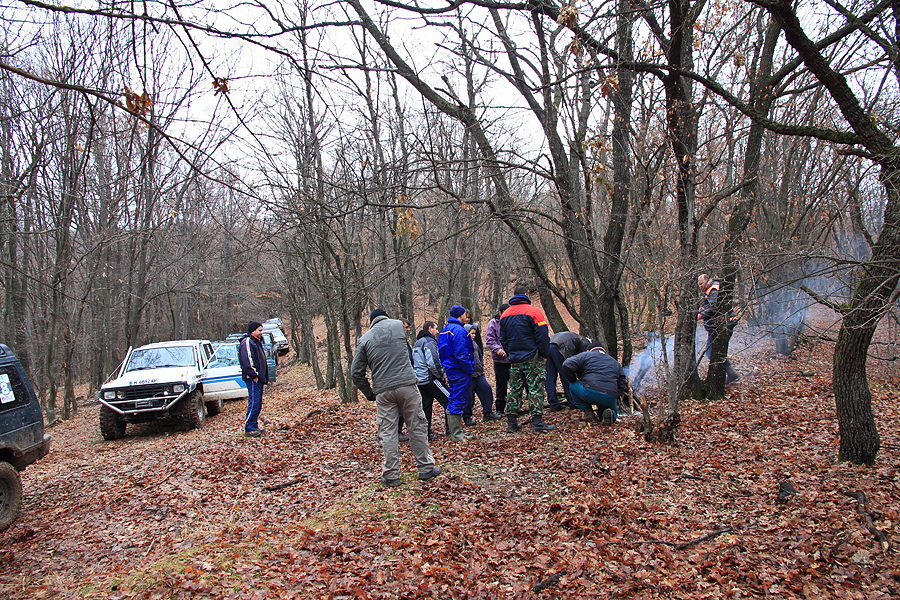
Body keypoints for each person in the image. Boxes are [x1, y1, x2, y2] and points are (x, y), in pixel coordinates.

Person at [351, 308, 441, 487]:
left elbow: (356, 373)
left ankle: (391, 474)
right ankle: (425, 467)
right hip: (407, 384)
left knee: (388, 431)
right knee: (416, 424)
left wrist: (370, 393)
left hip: (383, 390)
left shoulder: (365, 340)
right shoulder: (399, 326)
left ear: (371, 322)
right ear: (386, 317)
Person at [499, 285, 556, 433]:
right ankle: (537, 423)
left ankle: (511, 423)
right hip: (533, 357)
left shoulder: (504, 315)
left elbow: (503, 339)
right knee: (535, 388)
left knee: (514, 390)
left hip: (515, 358)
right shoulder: (534, 312)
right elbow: (542, 336)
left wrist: (510, 353)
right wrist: (544, 353)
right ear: (526, 294)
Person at [561, 342, 627, 426]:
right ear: (604, 351)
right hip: (610, 395)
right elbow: (622, 380)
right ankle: (610, 415)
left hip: (590, 391)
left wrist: (573, 380)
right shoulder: (615, 362)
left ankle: (588, 413)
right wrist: (617, 394)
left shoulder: (585, 355)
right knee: (608, 410)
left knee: (572, 386)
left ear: (589, 350)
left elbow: (566, 365)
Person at [438, 305, 474, 441]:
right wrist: (469, 368)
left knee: (453, 398)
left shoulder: (444, 330)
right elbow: (461, 354)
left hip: (451, 370)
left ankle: (454, 432)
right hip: (459, 371)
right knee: (457, 399)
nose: (467, 317)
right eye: (465, 314)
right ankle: (456, 434)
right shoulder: (458, 330)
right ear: (461, 315)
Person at [698, 274, 740, 384]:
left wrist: (700, 315)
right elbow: (709, 306)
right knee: (715, 351)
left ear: (707, 281)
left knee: (713, 351)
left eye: (701, 283)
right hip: (721, 324)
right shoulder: (712, 289)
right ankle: (730, 374)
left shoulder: (714, 290)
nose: (700, 286)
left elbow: (713, 308)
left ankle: (727, 375)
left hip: (723, 324)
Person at [412, 321, 450, 441]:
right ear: (430, 328)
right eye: (435, 328)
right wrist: (440, 376)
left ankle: (425, 434)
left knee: (426, 407)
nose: (437, 331)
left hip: (420, 381)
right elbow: (433, 362)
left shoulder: (417, 343)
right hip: (430, 379)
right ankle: (451, 430)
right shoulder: (429, 342)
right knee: (450, 399)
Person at [465, 323, 503, 423]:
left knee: (486, 390)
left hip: (478, 373)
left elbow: (480, 355)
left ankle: (488, 412)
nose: (473, 335)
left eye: (474, 334)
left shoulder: (475, 344)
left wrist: (481, 367)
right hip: (469, 375)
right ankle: (467, 417)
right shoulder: (463, 344)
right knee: (468, 397)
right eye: (471, 333)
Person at [546, 331, 592, 411]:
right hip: (560, 348)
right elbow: (582, 361)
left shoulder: (577, 337)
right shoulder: (585, 343)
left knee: (550, 377)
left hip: (548, 346)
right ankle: (573, 402)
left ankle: (553, 404)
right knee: (566, 375)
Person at [238, 321, 269, 437]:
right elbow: (248, 361)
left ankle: (254, 426)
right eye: (259, 330)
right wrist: (254, 375)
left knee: (257, 403)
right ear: (253, 330)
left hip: (258, 378)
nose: (261, 333)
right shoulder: (247, 342)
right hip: (252, 379)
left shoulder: (255, 342)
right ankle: (249, 427)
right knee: (254, 402)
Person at [485, 303, 510, 416]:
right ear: (500, 313)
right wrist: (498, 350)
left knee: (516, 383)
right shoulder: (493, 324)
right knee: (501, 385)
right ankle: (500, 407)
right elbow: (490, 340)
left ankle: (515, 406)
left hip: (513, 359)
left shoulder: (512, 322)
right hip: (500, 360)